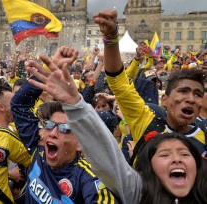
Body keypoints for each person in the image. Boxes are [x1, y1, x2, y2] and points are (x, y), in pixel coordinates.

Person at [24, 38, 207, 204]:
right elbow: (108, 158)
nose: (176, 159)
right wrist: (75, 105)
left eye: (185, 154)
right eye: (164, 155)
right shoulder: (139, 194)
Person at [90, 10, 206, 163]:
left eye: (198, 94)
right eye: (183, 91)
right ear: (164, 99)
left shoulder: (204, 134)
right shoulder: (146, 120)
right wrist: (111, 37)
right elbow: (119, 83)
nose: (191, 99)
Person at [11, 47, 119, 203]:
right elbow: (19, 104)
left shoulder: (89, 179)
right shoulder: (38, 150)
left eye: (65, 129)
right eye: (49, 125)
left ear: (80, 144)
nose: (53, 133)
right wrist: (51, 66)